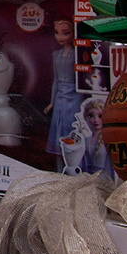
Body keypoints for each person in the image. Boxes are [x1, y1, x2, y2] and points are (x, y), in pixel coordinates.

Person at [44, 18, 80, 154]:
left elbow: (81, 78)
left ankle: (72, 160)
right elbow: (55, 79)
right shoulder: (56, 54)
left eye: (65, 33)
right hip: (60, 97)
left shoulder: (77, 54)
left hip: (74, 96)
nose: (60, 37)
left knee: (71, 127)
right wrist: (52, 102)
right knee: (59, 128)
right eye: (57, 33)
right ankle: (60, 162)